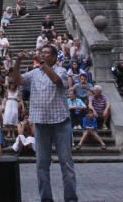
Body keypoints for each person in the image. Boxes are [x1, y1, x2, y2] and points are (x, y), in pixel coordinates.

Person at [11, 44, 77, 202]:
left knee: (66, 164)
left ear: (54, 57)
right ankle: (46, 199)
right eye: (42, 53)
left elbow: (56, 81)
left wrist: (42, 64)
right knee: (41, 165)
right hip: (40, 124)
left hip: (60, 123)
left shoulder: (61, 71)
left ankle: (71, 199)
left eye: (47, 53)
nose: (43, 55)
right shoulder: (34, 73)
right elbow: (17, 81)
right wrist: (18, 61)